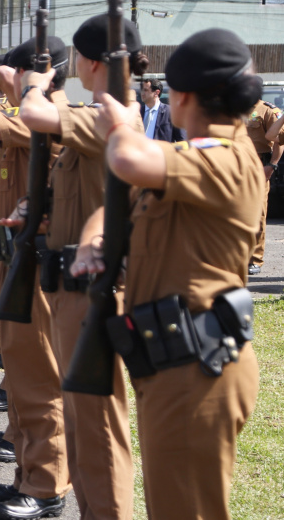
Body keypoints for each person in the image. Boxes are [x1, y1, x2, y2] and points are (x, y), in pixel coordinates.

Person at [74, 27, 262, 520]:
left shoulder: (227, 158)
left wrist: (124, 124)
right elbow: (116, 205)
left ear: (181, 97)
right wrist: (94, 239)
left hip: (195, 367)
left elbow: (127, 157)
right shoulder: (188, 158)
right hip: (172, 361)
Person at [17, 16, 148, 520]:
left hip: (98, 288)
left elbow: (33, 113)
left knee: (98, 427)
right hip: (74, 284)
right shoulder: (99, 114)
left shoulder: (113, 117)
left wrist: (35, 84)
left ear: (93, 63)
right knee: (81, 422)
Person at [0, 37, 71, 520]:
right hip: (15, 256)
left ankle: (47, 488)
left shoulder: (47, 114)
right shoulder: (34, 113)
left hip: (39, 265)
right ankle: (29, 475)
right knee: (22, 379)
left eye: (15, 74)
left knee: (40, 380)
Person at [243, 83, 284, 275]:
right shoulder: (234, 108)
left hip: (259, 164)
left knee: (258, 212)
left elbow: (278, 141)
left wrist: (272, 165)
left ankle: (256, 260)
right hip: (236, 164)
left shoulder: (268, 110)